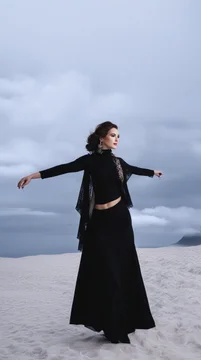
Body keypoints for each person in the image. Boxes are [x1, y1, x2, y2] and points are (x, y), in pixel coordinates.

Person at [17, 121, 163, 344]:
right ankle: (106, 320)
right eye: (113, 135)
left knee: (120, 270)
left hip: (120, 220)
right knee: (101, 271)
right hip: (98, 224)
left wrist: (153, 172)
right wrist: (32, 176)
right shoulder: (90, 161)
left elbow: (134, 169)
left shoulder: (118, 162)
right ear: (101, 137)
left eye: (118, 136)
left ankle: (118, 325)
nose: (117, 139)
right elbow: (63, 168)